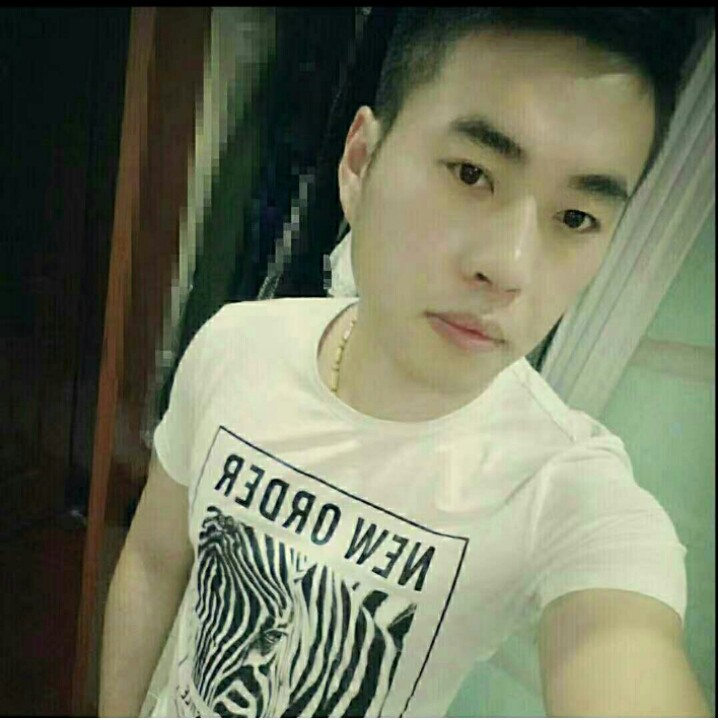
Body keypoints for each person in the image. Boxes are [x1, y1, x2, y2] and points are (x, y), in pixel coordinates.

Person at [99, 8, 712, 717]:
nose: (509, 268)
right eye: (472, 173)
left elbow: (624, 645)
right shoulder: (234, 344)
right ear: (361, 162)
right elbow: (153, 563)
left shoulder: (564, 489)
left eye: (576, 218)